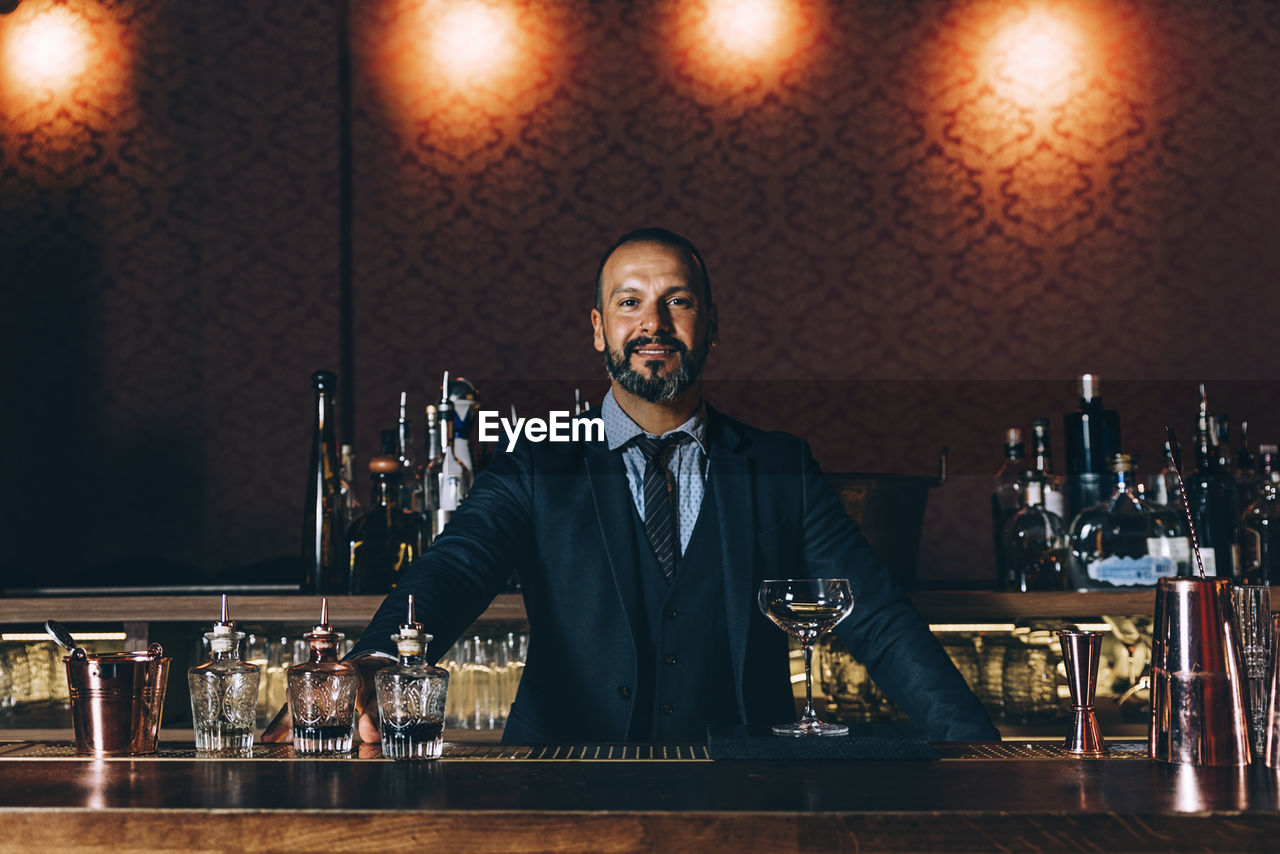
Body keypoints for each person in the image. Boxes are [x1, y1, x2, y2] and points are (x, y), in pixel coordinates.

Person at [265, 227, 999, 744]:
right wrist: (378, 661)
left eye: (677, 301)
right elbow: (453, 569)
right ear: (597, 329)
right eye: (629, 302)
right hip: (565, 787)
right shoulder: (534, 460)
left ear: (710, 324)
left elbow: (873, 616)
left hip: (745, 788)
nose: (653, 323)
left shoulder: (778, 463)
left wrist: (978, 750)